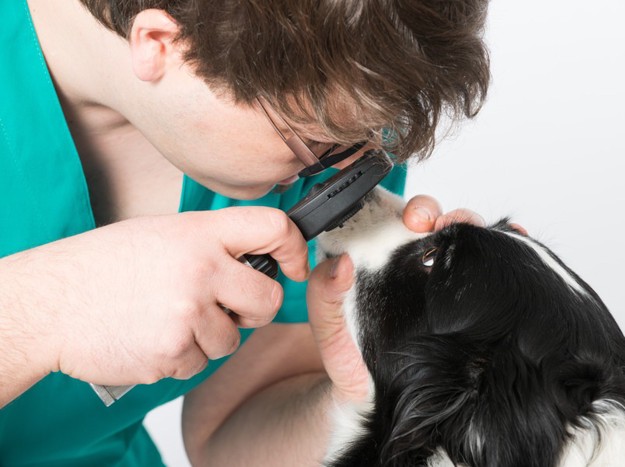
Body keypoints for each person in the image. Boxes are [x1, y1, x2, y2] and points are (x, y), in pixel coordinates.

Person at [0, 0, 489, 464]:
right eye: (315, 141)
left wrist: (365, 394)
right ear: (158, 43)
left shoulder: (334, 124)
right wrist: (50, 308)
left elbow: (227, 432)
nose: (341, 168)